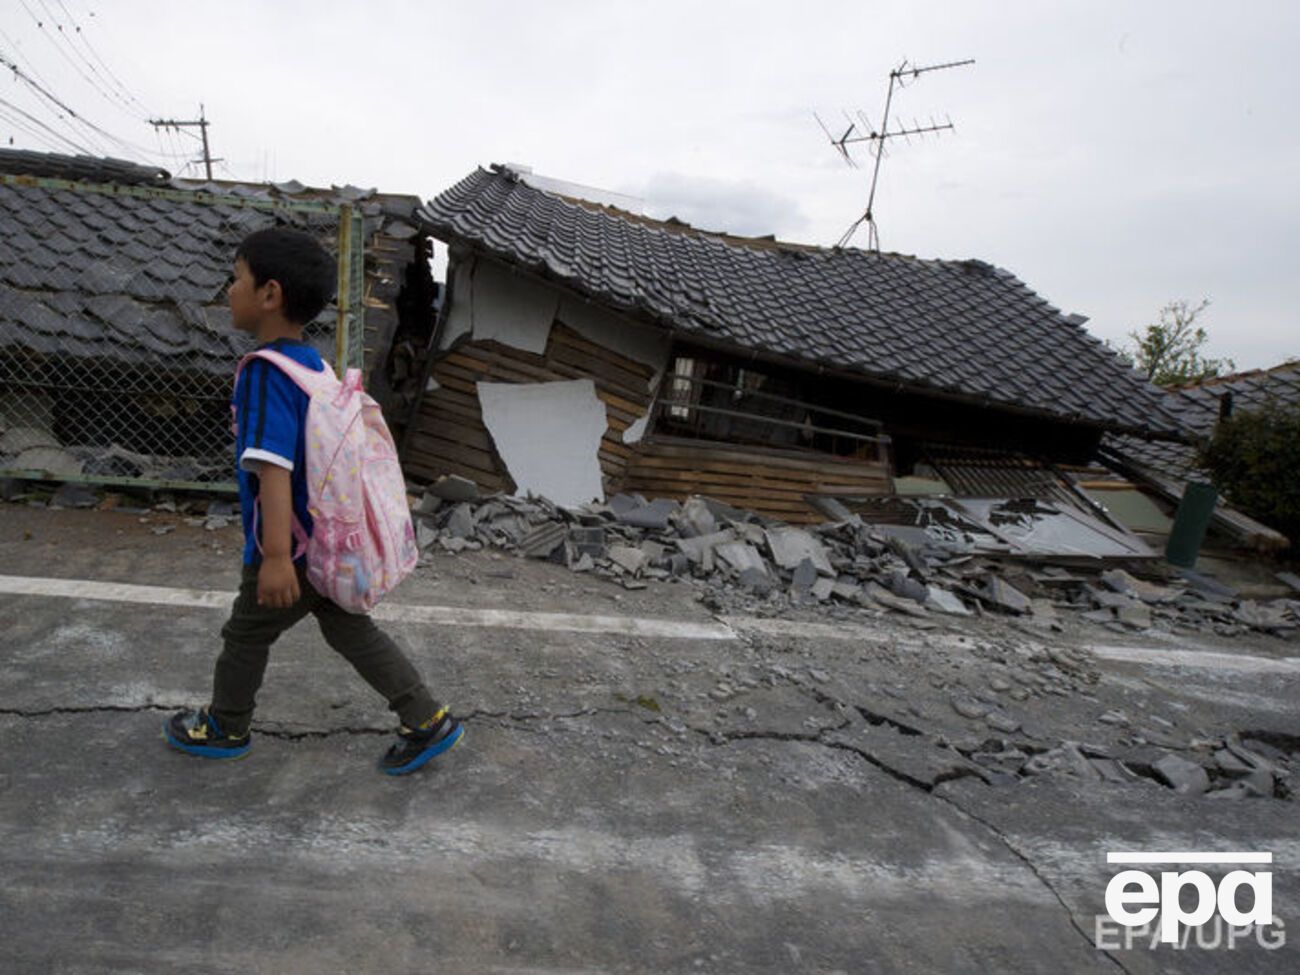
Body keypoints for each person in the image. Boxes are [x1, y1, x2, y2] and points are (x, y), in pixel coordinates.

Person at [163, 227, 463, 775]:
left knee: (245, 634)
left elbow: (274, 469)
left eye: (237, 279)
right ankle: (425, 717)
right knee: (348, 627)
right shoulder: (313, 366)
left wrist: (275, 557)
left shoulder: (263, 373)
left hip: (290, 545)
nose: (229, 290)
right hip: (325, 538)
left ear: (270, 294)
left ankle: (227, 725)